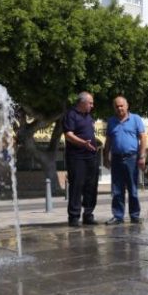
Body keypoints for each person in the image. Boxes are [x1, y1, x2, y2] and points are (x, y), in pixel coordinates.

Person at [104, 96, 146, 224]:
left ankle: (134, 215)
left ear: (127, 106)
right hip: (116, 158)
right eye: (117, 106)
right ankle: (118, 216)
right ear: (114, 107)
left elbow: (143, 138)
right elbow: (109, 140)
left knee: (133, 189)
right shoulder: (111, 121)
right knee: (117, 189)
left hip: (132, 158)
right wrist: (105, 156)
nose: (119, 108)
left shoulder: (136, 119)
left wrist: (142, 156)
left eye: (122, 105)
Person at [63, 92, 99, 226]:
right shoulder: (71, 115)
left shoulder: (88, 116)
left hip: (91, 156)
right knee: (77, 186)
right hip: (77, 157)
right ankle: (73, 217)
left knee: (91, 186)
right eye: (90, 103)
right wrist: (83, 143)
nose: (92, 105)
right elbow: (68, 135)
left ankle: (88, 215)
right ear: (82, 102)